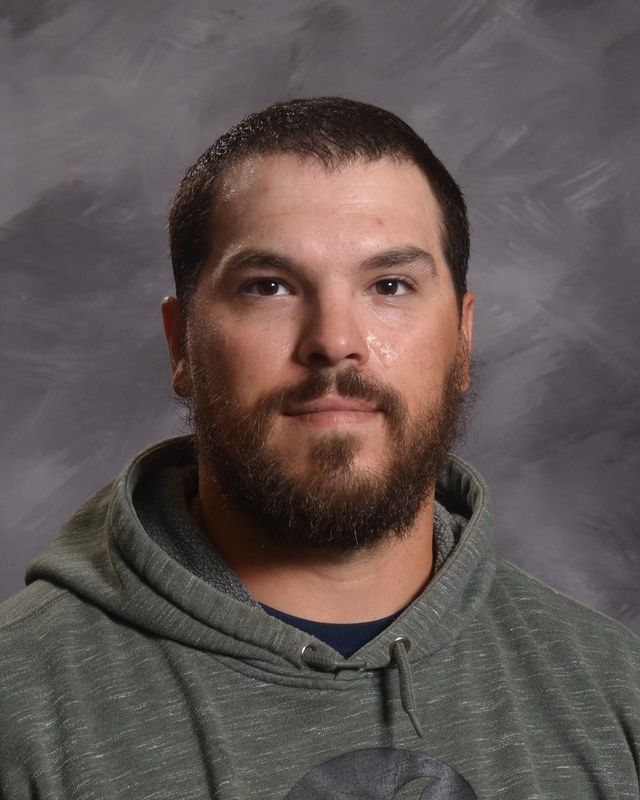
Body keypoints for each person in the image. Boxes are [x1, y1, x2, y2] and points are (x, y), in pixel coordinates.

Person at [1, 97, 638, 800]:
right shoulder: (17, 706)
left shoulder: (618, 695)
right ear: (181, 343)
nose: (334, 341)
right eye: (269, 287)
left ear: (462, 340)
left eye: (389, 286)